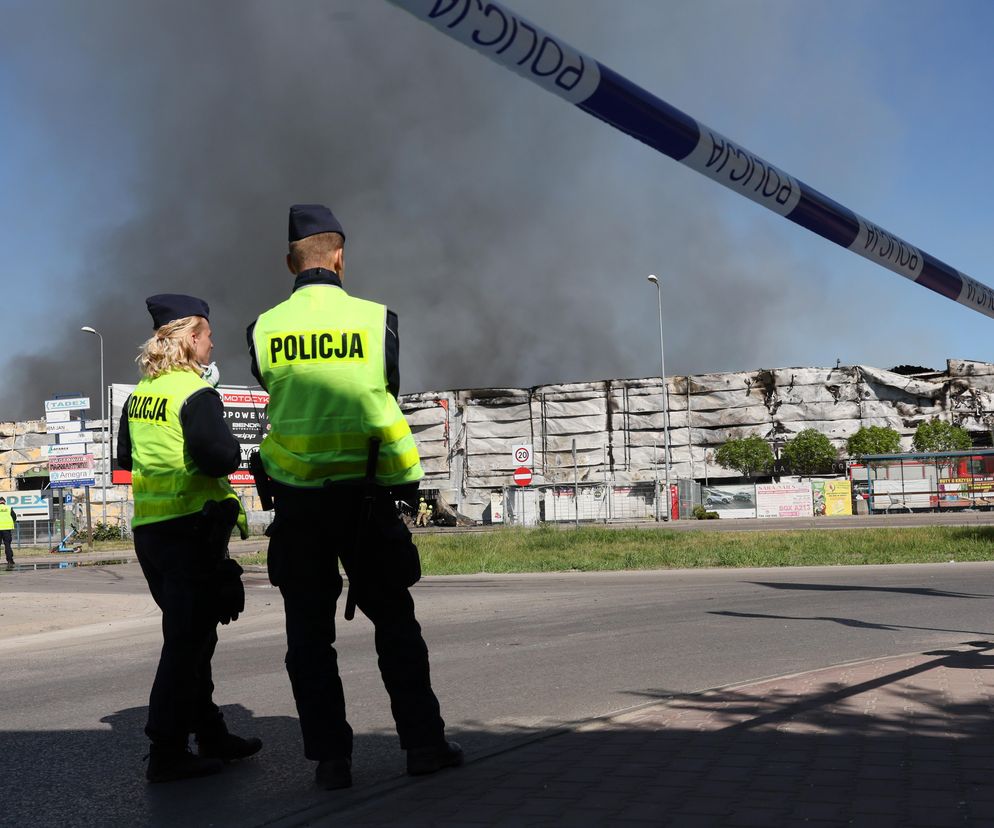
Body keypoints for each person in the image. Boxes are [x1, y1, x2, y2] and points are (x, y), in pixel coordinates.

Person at [247, 204, 462, 790]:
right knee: (395, 623)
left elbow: (282, 395)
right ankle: (422, 745)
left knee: (308, 638)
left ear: (290, 261)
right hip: (367, 500)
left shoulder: (264, 329)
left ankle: (331, 762)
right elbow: (383, 395)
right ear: (340, 257)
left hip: (298, 505)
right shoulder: (377, 321)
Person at [118, 293, 261, 783]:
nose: (213, 344)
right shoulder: (193, 393)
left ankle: (211, 732)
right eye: (208, 336)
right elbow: (221, 458)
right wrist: (229, 437)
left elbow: (123, 461)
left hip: (151, 534)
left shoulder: (140, 394)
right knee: (186, 643)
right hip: (192, 530)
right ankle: (167, 749)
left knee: (194, 637)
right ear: (191, 338)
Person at [0, 496, 16, 568]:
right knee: (7, 545)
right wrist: (12, 522)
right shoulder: (9, 508)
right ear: (4, 502)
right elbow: (14, 517)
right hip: (6, 529)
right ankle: (10, 560)